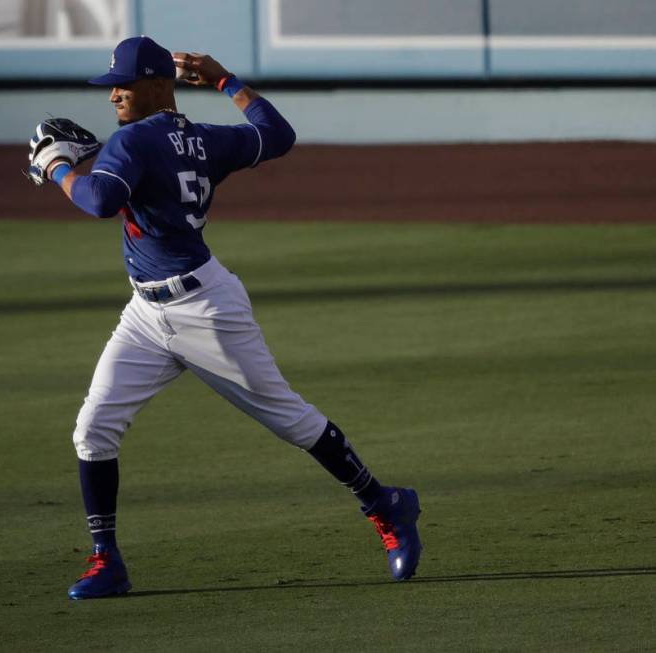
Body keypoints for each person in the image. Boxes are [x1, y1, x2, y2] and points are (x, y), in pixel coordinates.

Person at [28, 36, 422, 600]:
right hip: (146, 312)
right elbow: (278, 135)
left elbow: (97, 202)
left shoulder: (133, 141)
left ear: (158, 85)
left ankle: (384, 505)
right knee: (93, 429)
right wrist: (223, 79)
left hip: (207, 312)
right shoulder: (205, 139)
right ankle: (106, 561)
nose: (113, 92)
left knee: (294, 421)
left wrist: (56, 168)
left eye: (125, 83)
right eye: (112, 84)